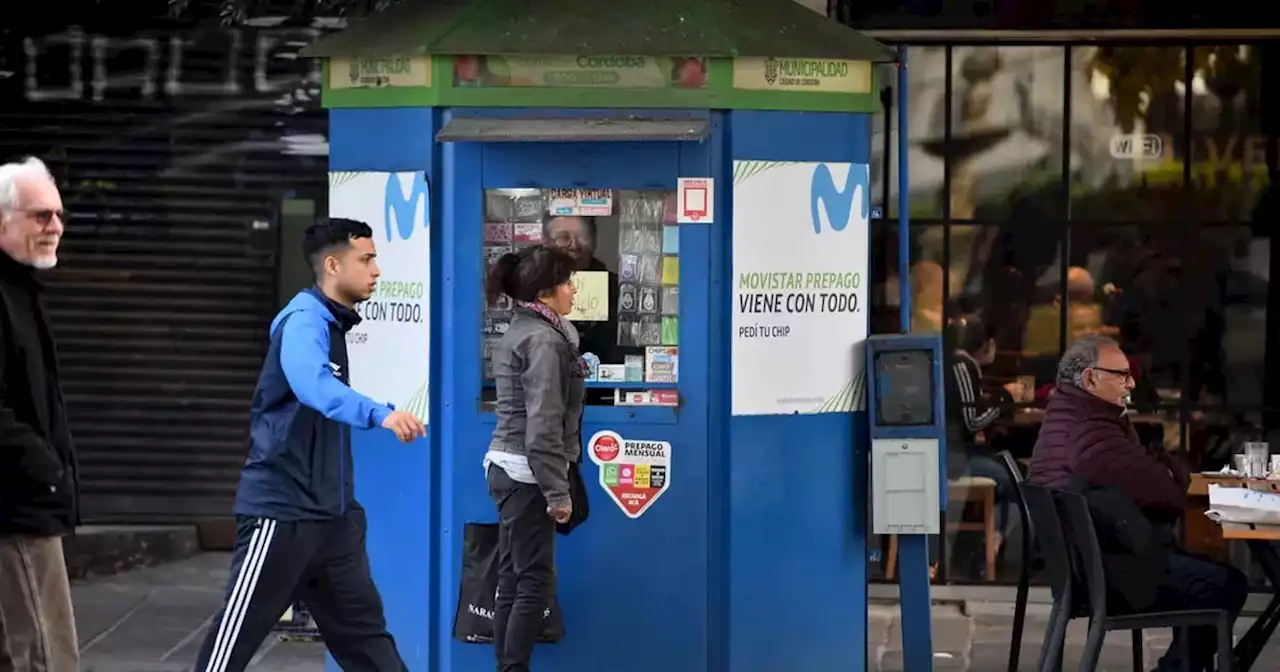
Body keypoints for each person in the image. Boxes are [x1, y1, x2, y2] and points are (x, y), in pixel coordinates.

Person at [193, 218, 425, 672]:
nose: (377, 270)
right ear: (333, 265)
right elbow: (312, 385)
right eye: (367, 259)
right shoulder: (304, 322)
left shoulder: (332, 322)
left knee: (367, 642)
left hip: (333, 520)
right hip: (282, 513)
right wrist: (380, 412)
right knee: (231, 645)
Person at [1028, 334, 1246, 672]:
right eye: (1122, 375)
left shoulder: (1066, 417)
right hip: (1114, 575)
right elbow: (1166, 494)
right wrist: (1169, 470)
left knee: (1205, 570)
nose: (1130, 383)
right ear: (1090, 379)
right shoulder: (1092, 430)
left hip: (1088, 568)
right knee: (1224, 583)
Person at [484, 245, 587, 672]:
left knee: (514, 577)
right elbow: (543, 425)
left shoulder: (526, 330)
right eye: (567, 282)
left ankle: (508, 667)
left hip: (510, 467)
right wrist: (557, 493)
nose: (574, 290)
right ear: (545, 292)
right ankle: (512, 668)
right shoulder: (545, 340)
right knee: (534, 582)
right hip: (527, 473)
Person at [0, 157, 78, 672]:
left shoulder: (22, 288)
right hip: (16, 510)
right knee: (45, 656)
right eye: (39, 216)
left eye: (58, 215)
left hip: (24, 501)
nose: (54, 227)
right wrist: (44, 471)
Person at [942, 314, 1024, 576]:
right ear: (987, 345)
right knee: (1020, 483)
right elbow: (972, 422)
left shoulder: (953, 363)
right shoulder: (963, 366)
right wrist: (1004, 399)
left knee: (1013, 471)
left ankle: (990, 539)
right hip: (953, 461)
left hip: (952, 454)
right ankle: (992, 542)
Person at [542, 214, 620, 365]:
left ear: (595, 239)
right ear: (545, 242)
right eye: (563, 237)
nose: (574, 245)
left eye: (583, 237)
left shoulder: (617, 287)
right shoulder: (535, 288)